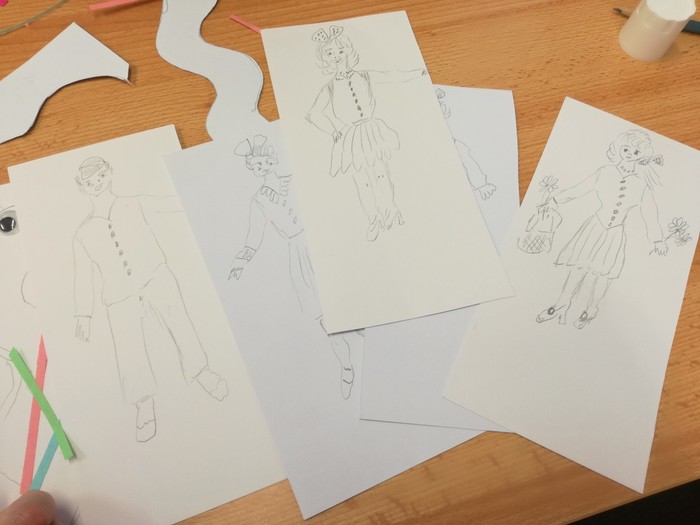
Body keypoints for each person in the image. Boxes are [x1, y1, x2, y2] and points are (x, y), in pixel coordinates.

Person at [73, 157, 228, 442]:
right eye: (89, 182)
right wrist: (84, 312)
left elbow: (170, 202)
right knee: (128, 349)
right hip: (118, 296)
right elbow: (83, 275)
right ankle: (143, 402)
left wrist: (206, 191)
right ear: (82, 187)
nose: (96, 183)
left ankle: (201, 371)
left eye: (100, 176)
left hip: (156, 276)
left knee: (180, 324)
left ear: (110, 173)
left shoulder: (133, 203)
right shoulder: (83, 233)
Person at [229, 136, 362, 399]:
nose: (261, 168)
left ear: (273, 159)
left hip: (322, 242)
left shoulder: (295, 177)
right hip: (300, 256)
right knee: (326, 320)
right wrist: (240, 262)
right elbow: (254, 237)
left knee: (351, 299)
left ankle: (381, 349)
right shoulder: (259, 201)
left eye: (264, 162)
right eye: (256, 166)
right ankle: (347, 367)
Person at [536, 129, 667, 328]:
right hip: (594, 228)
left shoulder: (641, 184)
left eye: (636, 152)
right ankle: (561, 304)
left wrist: (657, 240)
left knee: (602, 275)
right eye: (626, 149)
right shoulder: (605, 172)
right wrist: (554, 201)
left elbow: (650, 213)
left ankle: (591, 310)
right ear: (619, 148)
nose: (629, 154)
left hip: (614, 234)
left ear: (643, 155)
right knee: (577, 267)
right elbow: (580, 189)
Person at [306, 25, 424, 241]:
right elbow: (313, 114)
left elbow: (390, 76)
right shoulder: (329, 88)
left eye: (340, 51)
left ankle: (391, 210)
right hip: (351, 137)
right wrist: (334, 130)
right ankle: (373, 218)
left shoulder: (365, 76)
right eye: (330, 53)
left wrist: (418, 73)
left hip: (371, 130)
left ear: (348, 50)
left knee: (381, 173)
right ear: (325, 58)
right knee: (363, 180)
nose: (336, 56)